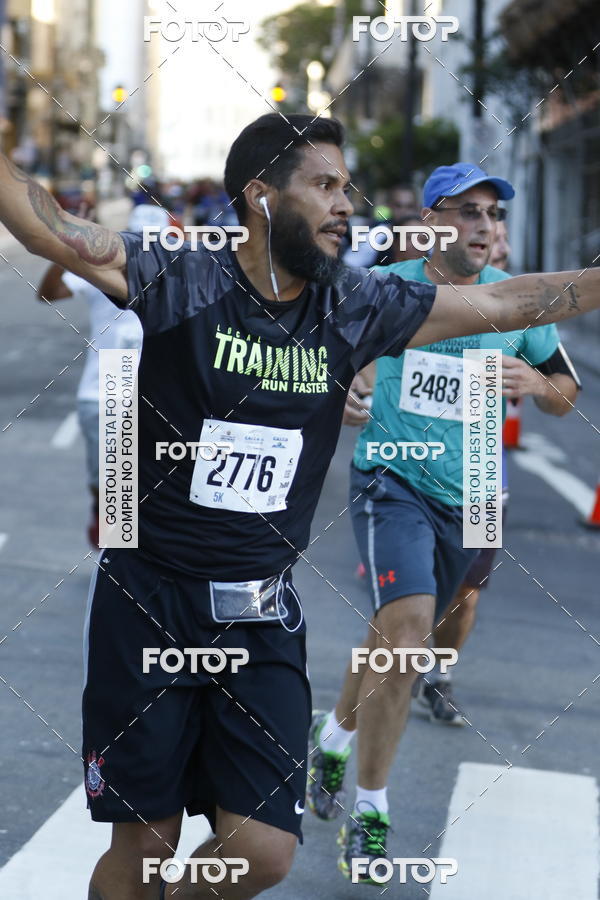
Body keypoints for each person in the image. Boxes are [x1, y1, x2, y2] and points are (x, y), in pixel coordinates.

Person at [0, 120, 597, 900]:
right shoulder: (183, 277)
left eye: (346, 187)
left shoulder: (356, 304)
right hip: (148, 604)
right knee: (146, 846)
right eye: (324, 185)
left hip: (260, 616)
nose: (344, 203)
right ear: (260, 196)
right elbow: (46, 223)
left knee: (266, 854)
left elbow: (509, 301)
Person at [307, 162, 580, 881]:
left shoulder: (517, 306)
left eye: (492, 215)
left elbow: (566, 391)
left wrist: (537, 385)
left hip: (478, 489)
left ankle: (334, 733)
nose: (484, 227)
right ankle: (372, 811)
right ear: (430, 221)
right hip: (393, 478)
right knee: (402, 636)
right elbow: (321, 363)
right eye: (467, 212)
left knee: (428, 626)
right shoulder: (390, 288)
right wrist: (346, 388)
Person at [36, 208, 170, 547]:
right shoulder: (101, 273)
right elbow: (48, 292)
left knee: (150, 493)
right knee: (111, 493)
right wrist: (68, 247)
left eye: (153, 243)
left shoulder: (182, 277)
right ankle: (109, 538)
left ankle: (127, 552)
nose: (145, 251)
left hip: (159, 397)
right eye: (138, 241)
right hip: (106, 391)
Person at [344, 183, 419, 268]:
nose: (404, 211)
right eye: (398, 206)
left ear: (416, 208)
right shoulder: (372, 238)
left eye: (409, 206)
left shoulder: (427, 238)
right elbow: (347, 267)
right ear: (389, 206)